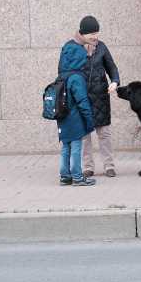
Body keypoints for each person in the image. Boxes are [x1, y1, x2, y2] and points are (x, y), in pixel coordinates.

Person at [72, 16, 120, 178]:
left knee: (104, 134)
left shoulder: (102, 47)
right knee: (85, 135)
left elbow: (112, 67)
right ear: (83, 33)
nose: (95, 36)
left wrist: (115, 81)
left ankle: (109, 166)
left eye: (97, 32)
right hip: (82, 98)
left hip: (100, 96)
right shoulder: (73, 48)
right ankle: (88, 167)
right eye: (92, 33)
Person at [57, 39, 95, 186]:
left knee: (66, 146)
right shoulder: (76, 78)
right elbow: (82, 102)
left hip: (62, 117)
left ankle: (65, 176)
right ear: (78, 58)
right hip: (75, 119)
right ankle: (77, 177)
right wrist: (89, 120)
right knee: (76, 147)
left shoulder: (61, 76)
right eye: (83, 57)